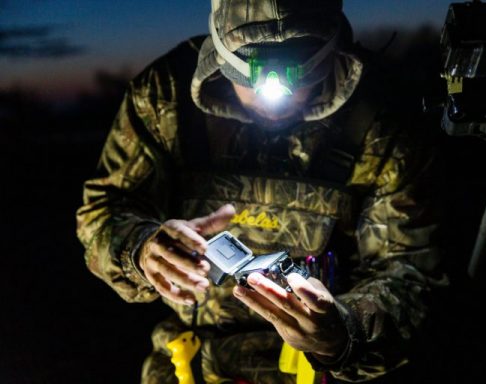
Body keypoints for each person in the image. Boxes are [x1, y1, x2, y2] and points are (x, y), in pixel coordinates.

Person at [76, 0, 447, 383]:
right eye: (251, 64)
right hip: (190, 361)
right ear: (220, 53)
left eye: (297, 65)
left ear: (331, 47)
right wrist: (140, 248)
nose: (275, 88)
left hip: (323, 371)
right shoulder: (166, 94)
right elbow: (104, 211)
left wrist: (345, 330)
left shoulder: (382, 111)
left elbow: (414, 269)